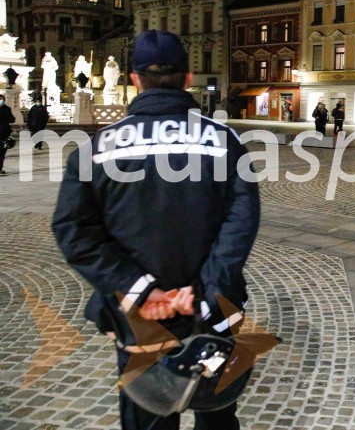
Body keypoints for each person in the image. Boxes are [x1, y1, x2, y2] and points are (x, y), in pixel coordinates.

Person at [52, 30, 260, 430]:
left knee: (147, 415)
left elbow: (73, 230)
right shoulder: (223, 141)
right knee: (216, 412)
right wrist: (204, 293)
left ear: (134, 80)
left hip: (139, 315)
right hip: (213, 309)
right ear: (188, 78)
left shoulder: (96, 148)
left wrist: (141, 290)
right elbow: (241, 220)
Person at [0, 93, 14, 175]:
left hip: (4, 134)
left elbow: (12, 119)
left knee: (2, 153)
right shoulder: (6, 109)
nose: (1, 101)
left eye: (2, 99)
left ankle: (0, 168)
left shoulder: (7, 109)